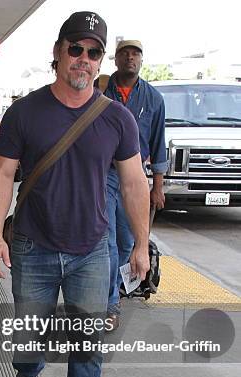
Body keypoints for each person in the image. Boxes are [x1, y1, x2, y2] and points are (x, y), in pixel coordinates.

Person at [0, 11, 150, 377]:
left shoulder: (117, 120)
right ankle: (27, 370)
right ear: (57, 54)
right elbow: (2, 174)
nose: (84, 59)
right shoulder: (25, 112)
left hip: (92, 251)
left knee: (88, 346)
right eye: (75, 49)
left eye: (93, 52)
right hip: (33, 246)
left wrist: (139, 243)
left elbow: (134, 182)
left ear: (101, 62)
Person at [104, 40, 167, 330]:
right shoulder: (99, 91)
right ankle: (108, 302)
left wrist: (158, 186)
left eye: (135, 54)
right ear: (115, 60)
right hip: (102, 175)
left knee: (128, 241)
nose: (130, 58)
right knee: (105, 239)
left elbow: (158, 145)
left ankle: (115, 292)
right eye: (124, 53)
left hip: (135, 178)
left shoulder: (154, 99)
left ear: (141, 61)